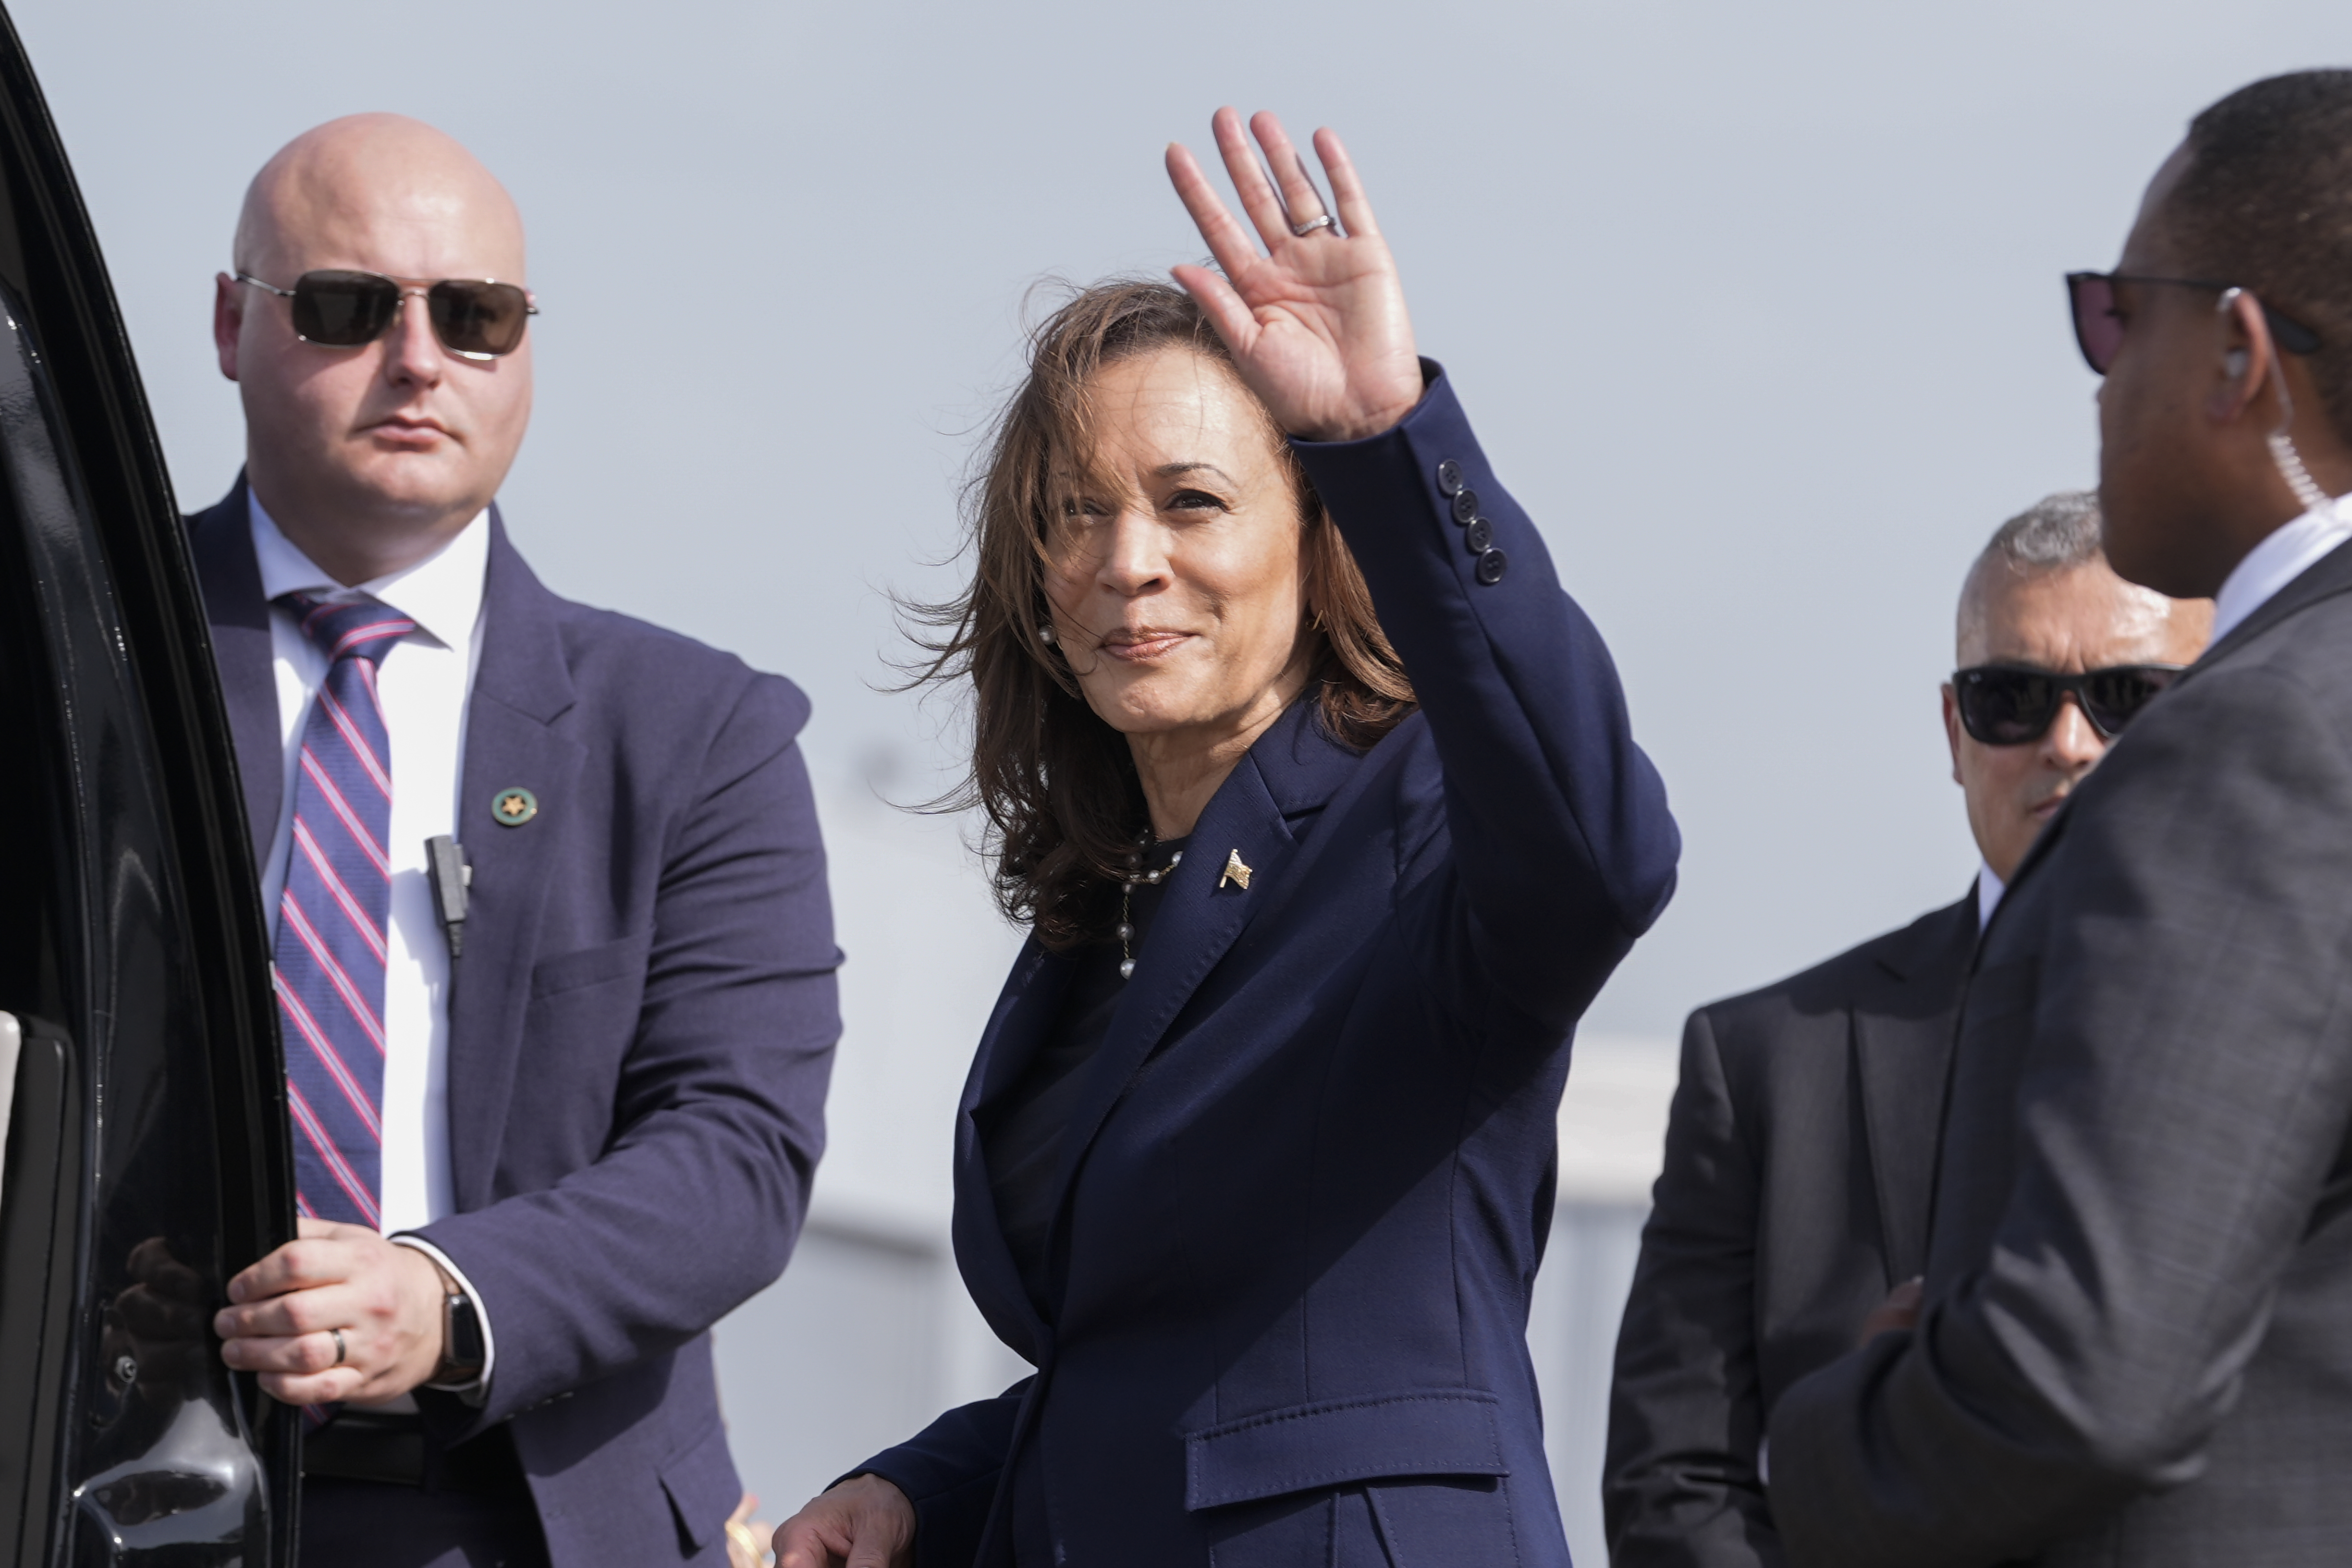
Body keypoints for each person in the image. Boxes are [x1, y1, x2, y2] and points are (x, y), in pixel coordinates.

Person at [773, 108, 1679, 1568]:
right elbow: (1173, 1370)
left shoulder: (1422, 824)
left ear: (1318, 540)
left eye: (1192, 502)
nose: (1130, 562)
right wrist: (922, 1492)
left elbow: (1603, 846)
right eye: (1078, 514)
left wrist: (1387, 439)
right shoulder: (1100, 914)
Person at [188, 114, 840, 1567]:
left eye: (474, 316)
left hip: (536, 1505)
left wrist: (441, 1296)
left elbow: (737, 1156)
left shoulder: (698, 733)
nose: (419, 359)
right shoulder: (76, 670)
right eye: (350, 308)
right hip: (112, 1473)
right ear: (233, 324)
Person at [1766, 70, 2352, 1566]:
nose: (2097, 373)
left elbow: (2088, 1383)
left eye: (2115, 313)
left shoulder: (2263, 743)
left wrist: (1855, 1418)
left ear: (2235, 354)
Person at [1602, 493, 2210, 1567]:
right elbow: (1677, 1482)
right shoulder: (1765, 1064)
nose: (2068, 743)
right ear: (1952, 729)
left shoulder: (2310, 1043)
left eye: (2128, 699)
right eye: (2011, 698)